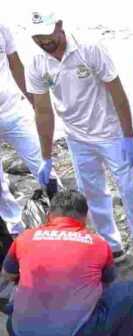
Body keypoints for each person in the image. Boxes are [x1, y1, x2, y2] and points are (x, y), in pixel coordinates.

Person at [24, 10, 133, 276]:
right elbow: (42, 111)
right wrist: (46, 157)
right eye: (38, 37)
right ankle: (112, 246)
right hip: (77, 138)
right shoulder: (37, 63)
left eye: (49, 34)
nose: (45, 42)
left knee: (131, 192)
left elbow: (118, 93)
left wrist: (129, 136)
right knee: (94, 195)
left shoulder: (89, 48)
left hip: (111, 134)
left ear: (60, 26)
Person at [1, 189, 133, 336]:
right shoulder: (98, 244)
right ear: (85, 218)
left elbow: (8, 276)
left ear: (49, 216)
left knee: (24, 287)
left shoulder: (24, 238)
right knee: (132, 292)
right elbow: (106, 283)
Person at [0, 22, 60, 235]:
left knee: (43, 163)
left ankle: (62, 218)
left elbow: (15, 64)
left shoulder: (2, 26)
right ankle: (15, 229)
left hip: (12, 110)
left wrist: (36, 103)